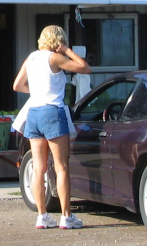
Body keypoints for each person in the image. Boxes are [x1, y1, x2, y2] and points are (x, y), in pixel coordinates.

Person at [12, 25, 92, 229]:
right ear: (59, 40)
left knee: (38, 168)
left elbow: (17, 85)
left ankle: (42, 215)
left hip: (34, 112)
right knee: (61, 166)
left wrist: (37, 90)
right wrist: (67, 51)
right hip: (52, 111)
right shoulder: (54, 58)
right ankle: (66, 216)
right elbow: (85, 68)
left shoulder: (31, 58)